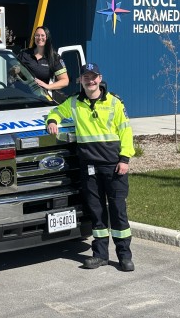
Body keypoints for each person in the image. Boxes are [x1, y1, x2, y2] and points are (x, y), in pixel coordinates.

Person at [45, 62, 136, 272]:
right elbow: (57, 111)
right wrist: (52, 120)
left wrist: (124, 159)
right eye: (86, 77)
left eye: (93, 76)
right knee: (96, 212)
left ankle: (124, 256)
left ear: (100, 78)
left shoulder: (114, 103)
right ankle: (100, 255)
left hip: (114, 166)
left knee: (118, 211)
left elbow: (126, 132)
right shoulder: (75, 103)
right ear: (81, 81)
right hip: (90, 167)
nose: (90, 80)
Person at [17, 26, 69, 101]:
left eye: (42, 35)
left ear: (47, 37)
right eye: (37, 35)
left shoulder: (54, 58)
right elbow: (14, 73)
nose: (39, 38)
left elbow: (65, 81)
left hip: (41, 99)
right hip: (21, 96)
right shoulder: (24, 54)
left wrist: (47, 86)